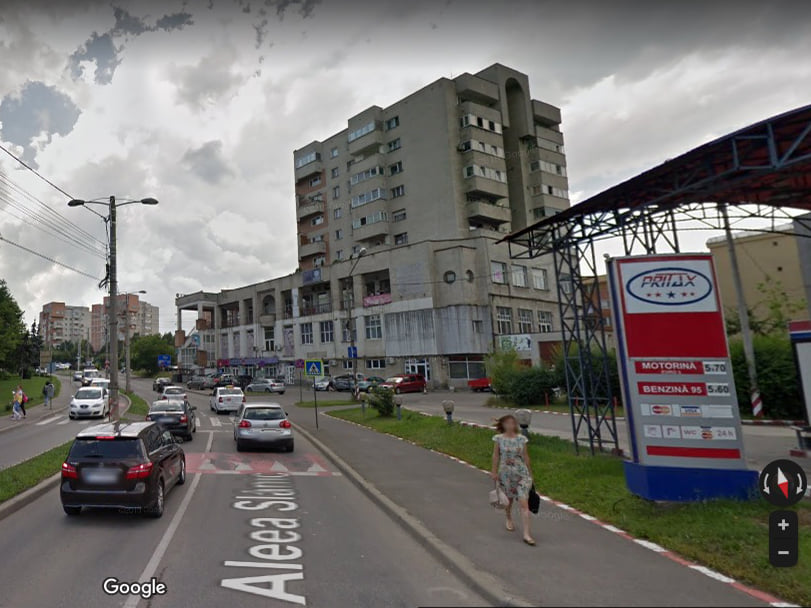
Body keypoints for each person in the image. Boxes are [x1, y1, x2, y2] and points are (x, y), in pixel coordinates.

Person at [491, 414, 535, 546]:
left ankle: (526, 534)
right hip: (506, 474)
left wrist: (530, 474)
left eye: (513, 423)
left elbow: (526, 456)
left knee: (523, 502)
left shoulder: (522, 439)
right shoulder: (499, 439)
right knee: (508, 500)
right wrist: (494, 471)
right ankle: (509, 517)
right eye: (508, 423)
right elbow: (496, 456)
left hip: (521, 473)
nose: (511, 425)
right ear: (503, 425)